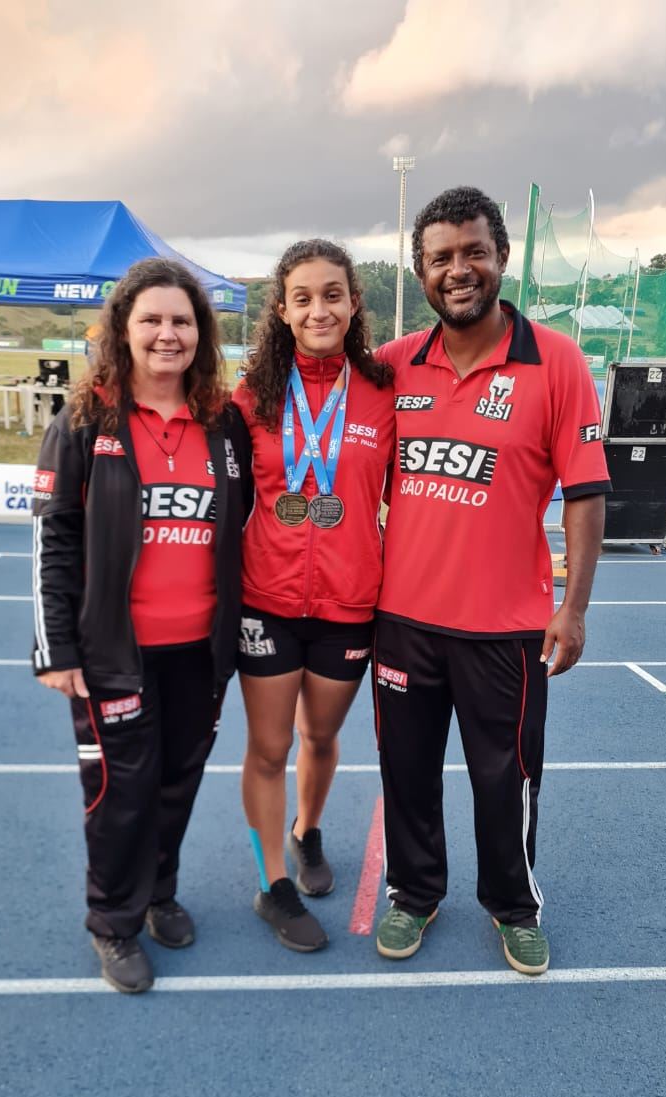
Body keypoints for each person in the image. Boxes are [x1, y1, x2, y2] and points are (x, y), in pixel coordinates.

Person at [373, 187, 611, 975]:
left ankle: (514, 905)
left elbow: (584, 492)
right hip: (402, 620)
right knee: (405, 774)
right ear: (422, 272)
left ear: (502, 257)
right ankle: (413, 892)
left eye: (473, 250)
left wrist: (572, 609)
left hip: (505, 628)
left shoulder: (557, 361)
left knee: (504, 780)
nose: (459, 269)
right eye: (440, 257)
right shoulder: (395, 365)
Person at [31, 258, 252, 993]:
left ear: (201, 333)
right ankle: (113, 923)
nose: (167, 334)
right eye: (151, 320)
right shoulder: (85, 422)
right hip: (110, 656)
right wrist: (55, 648)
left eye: (181, 321)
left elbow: (241, 530)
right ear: (122, 331)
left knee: (176, 781)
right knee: (120, 795)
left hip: (199, 651)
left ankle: (159, 893)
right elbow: (53, 538)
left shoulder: (223, 425)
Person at [233, 239, 395, 951]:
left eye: (333, 294)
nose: (319, 308)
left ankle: (307, 831)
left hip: (349, 602)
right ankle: (274, 884)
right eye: (304, 297)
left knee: (320, 736)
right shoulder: (253, 397)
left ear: (354, 303)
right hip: (265, 598)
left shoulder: (384, 394)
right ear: (283, 309)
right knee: (268, 748)